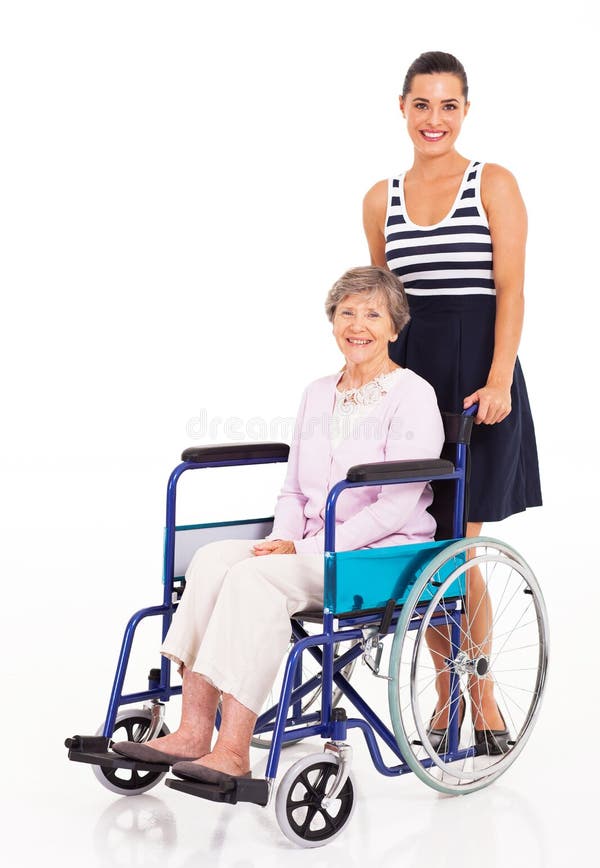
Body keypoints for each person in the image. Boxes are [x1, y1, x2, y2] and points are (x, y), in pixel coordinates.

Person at [112, 267, 444, 782]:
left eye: (373, 314)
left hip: (374, 557)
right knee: (212, 559)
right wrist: (282, 539)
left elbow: (394, 507)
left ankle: (235, 749)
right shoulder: (316, 392)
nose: (358, 324)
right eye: (347, 312)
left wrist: (308, 548)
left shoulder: (413, 396)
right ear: (333, 321)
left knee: (254, 579)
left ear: (395, 328)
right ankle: (193, 727)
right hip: (308, 545)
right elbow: (292, 490)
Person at [362, 51, 542, 752]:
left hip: (475, 373)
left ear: (465, 111)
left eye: (448, 106)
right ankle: (445, 693)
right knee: (421, 549)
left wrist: (498, 380)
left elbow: (512, 291)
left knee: (457, 552)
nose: (434, 119)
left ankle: (481, 693)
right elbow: (381, 304)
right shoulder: (381, 197)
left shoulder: (491, 182)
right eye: (422, 105)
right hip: (408, 375)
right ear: (402, 108)